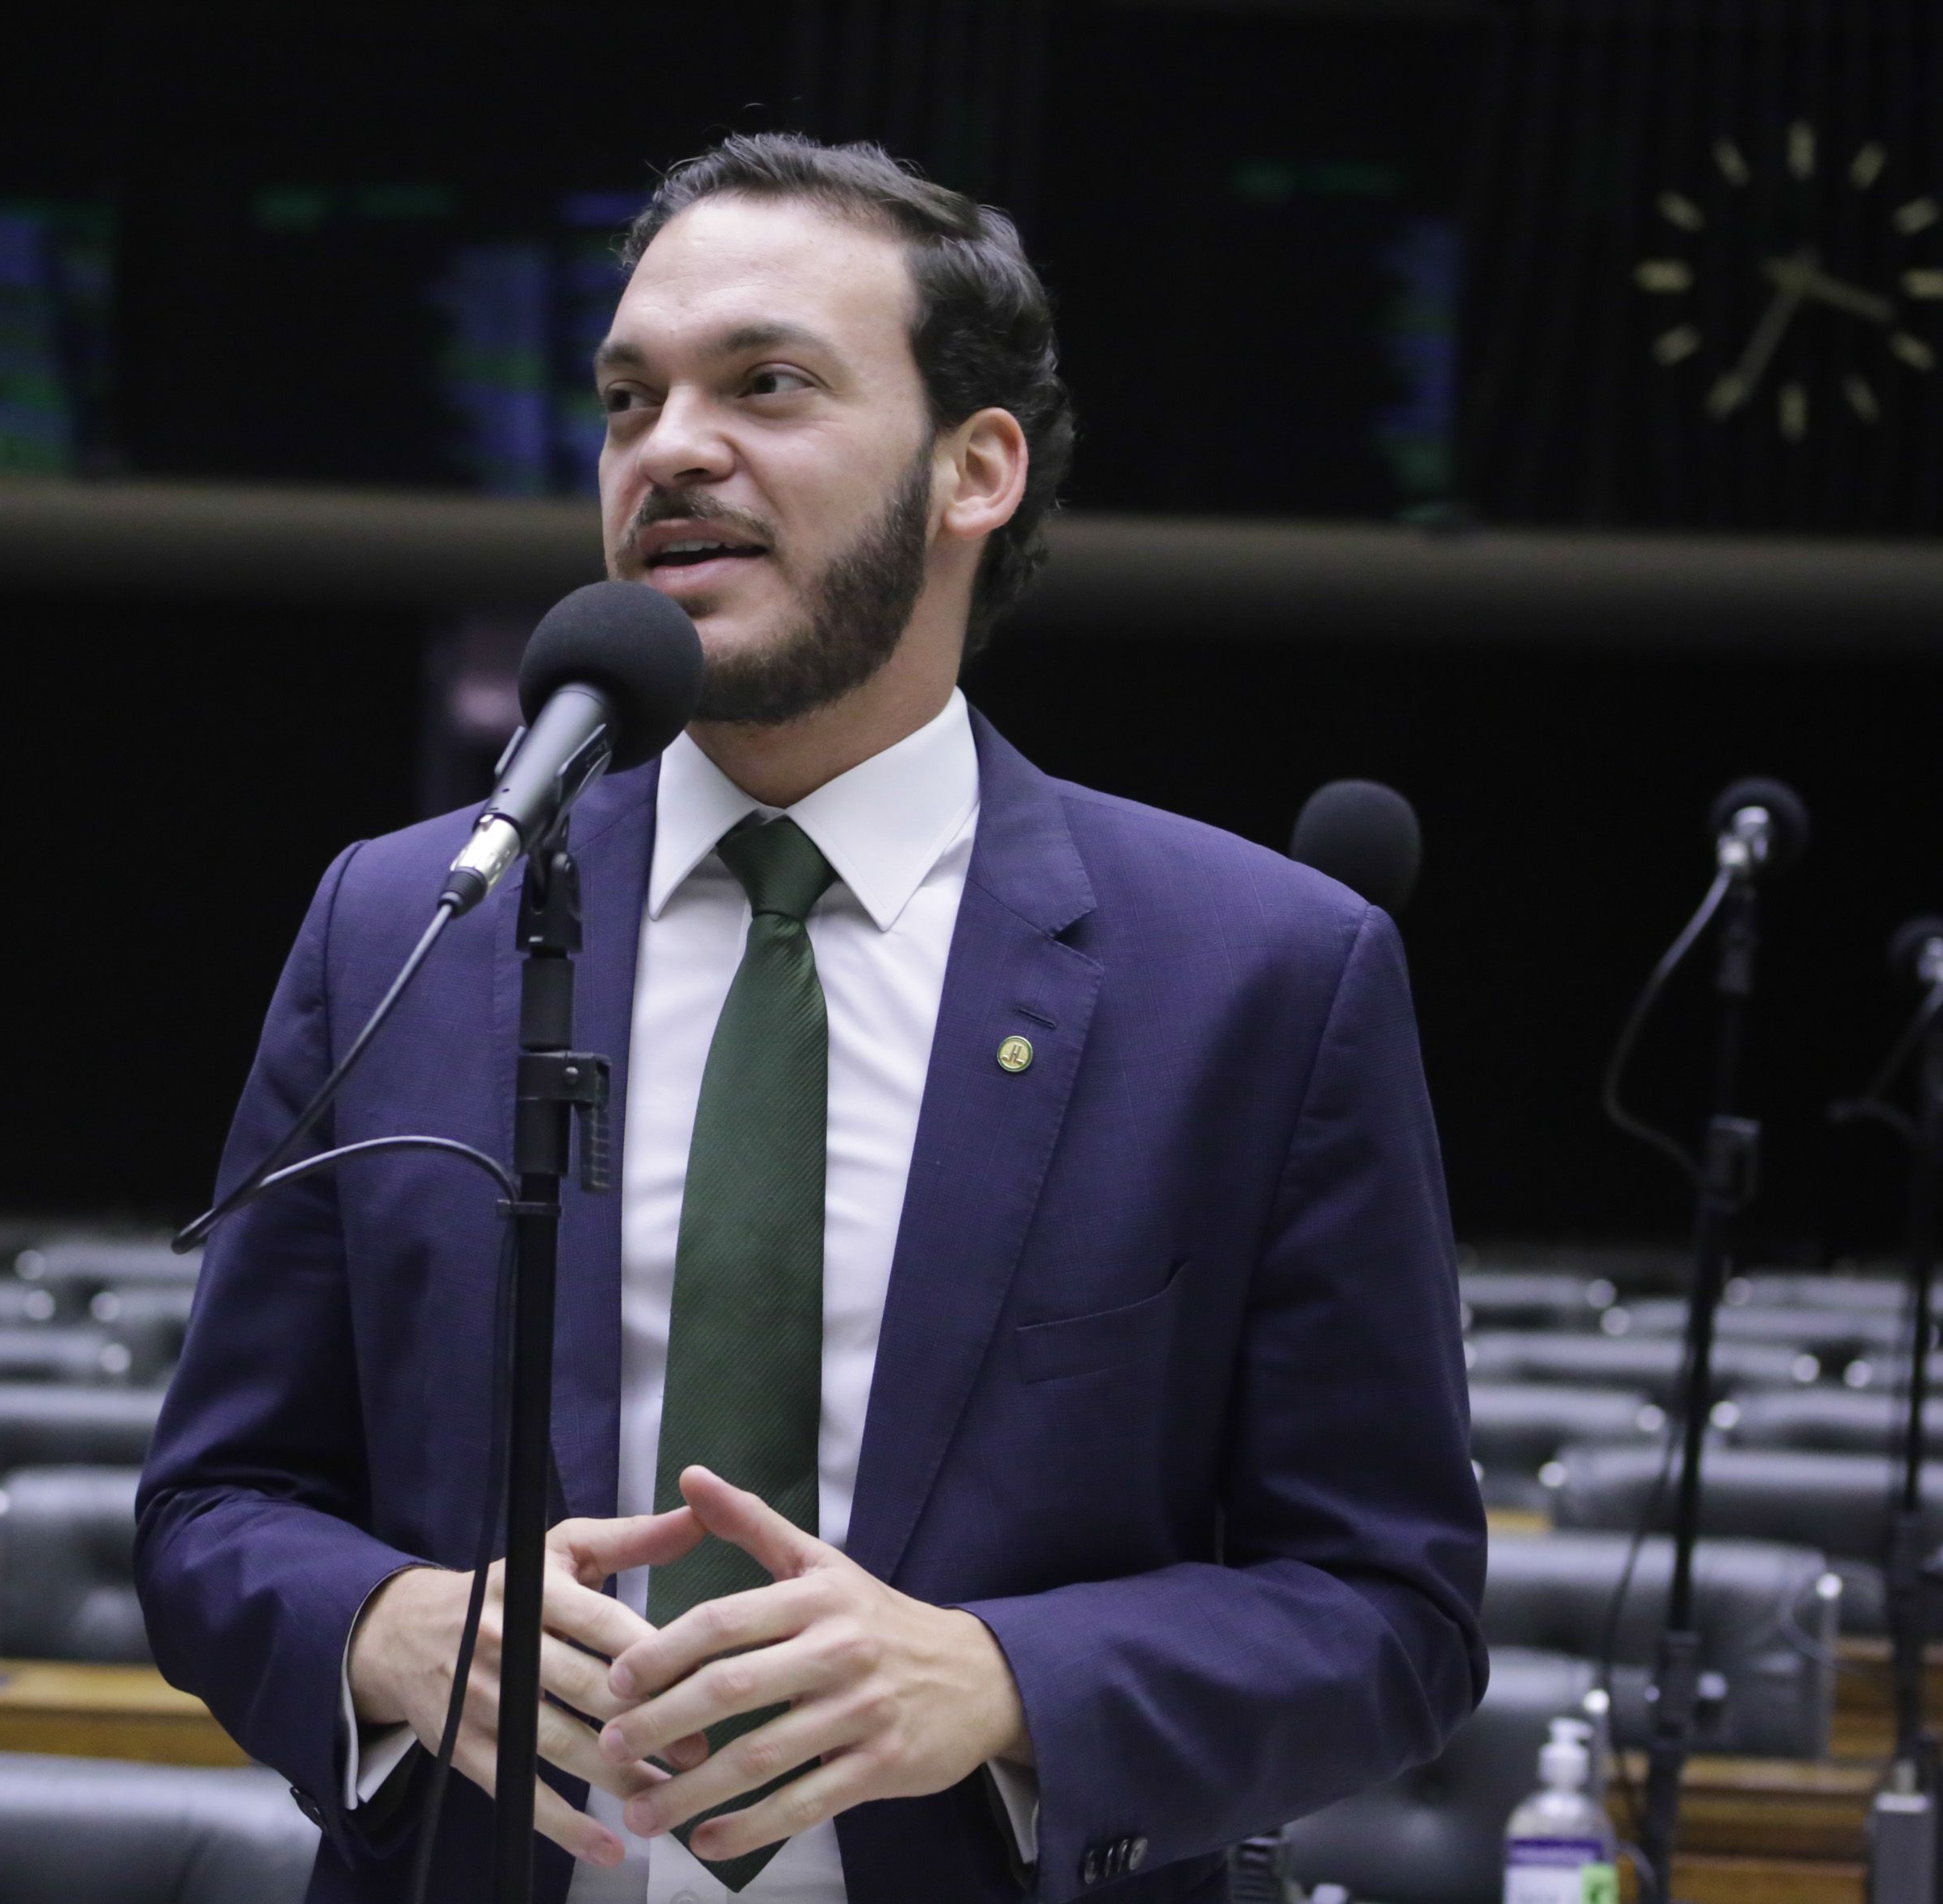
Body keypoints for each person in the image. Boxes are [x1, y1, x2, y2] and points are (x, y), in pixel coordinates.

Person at [138, 131, 1484, 1904]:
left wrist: (1004, 1682)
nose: (670, 446)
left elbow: (1389, 1608)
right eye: (630, 399)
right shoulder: (411, 918)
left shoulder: (1253, 972)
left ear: (972, 468)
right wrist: (385, 1625)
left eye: (765, 383)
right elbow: (213, 1507)